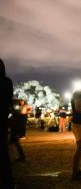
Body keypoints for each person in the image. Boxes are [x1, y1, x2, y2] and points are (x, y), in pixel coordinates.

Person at [0, 59, 16, 189]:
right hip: (2, 119)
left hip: (1, 119)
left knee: (3, 151)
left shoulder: (6, 82)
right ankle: (8, 180)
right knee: (3, 151)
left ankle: (8, 180)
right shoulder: (7, 82)